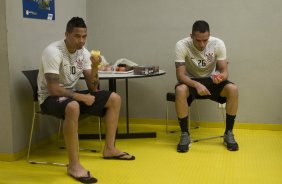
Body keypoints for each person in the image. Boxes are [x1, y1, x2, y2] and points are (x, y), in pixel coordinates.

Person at [37, 17, 135, 183]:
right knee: (74, 106)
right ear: (66, 34)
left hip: (70, 96)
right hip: (49, 98)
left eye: (84, 36)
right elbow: (53, 89)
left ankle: (110, 149)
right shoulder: (53, 51)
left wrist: (95, 67)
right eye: (76, 36)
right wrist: (79, 96)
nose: (81, 41)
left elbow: (93, 87)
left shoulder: (83, 53)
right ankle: (74, 165)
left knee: (114, 98)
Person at [174, 20, 239, 153]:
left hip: (211, 80)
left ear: (209, 36)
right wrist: (196, 84)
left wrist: (221, 77)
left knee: (233, 89)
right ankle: (185, 135)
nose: (202, 44)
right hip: (191, 81)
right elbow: (180, 76)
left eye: (205, 40)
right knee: (180, 90)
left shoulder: (218, 43)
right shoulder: (181, 45)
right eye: (198, 40)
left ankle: (228, 133)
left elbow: (224, 71)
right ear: (191, 36)